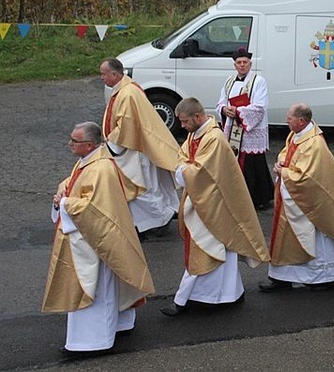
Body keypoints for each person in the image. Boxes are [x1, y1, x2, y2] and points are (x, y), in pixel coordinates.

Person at [43, 122, 154, 353]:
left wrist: (64, 203)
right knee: (103, 289)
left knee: (95, 290)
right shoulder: (88, 161)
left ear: (90, 145)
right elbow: (76, 183)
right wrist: (64, 190)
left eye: (74, 141)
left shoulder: (102, 168)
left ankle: (93, 342)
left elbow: (95, 208)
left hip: (96, 242)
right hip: (89, 237)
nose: (69, 144)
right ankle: (114, 327)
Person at [161, 98, 269, 317]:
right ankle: (227, 294)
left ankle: (186, 299)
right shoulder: (195, 134)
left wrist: (184, 170)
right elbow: (182, 158)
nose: (182, 126)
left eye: (184, 122)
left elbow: (202, 171)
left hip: (213, 205)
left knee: (207, 247)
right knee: (218, 249)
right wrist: (184, 167)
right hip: (201, 200)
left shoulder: (214, 138)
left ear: (198, 117)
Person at [260, 103, 334, 293]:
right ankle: (281, 277)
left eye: (289, 118)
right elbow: (287, 153)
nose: (286, 120)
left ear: (301, 121)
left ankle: (326, 277)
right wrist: (281, 164)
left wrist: (285, 172)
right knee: (285, 236)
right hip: (291, 197)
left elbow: (308, 178)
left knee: (316, 240)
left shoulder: (315, 143)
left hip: (312, 204)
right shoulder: (296, 135)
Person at [100, 57, 180, 238]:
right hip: (134, 146)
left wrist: (109, 143)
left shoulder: (128, 94)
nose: (101, 78)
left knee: (141, 187)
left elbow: (127, 125)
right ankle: (145, 222)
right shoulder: (125, 88)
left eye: (104, 74)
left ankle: (161, 219)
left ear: (114, 74)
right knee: (143, 187)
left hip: (134, 150)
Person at [216, 48, 275, 210]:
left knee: (253, 163)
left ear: (250, 64)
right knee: (234, 160)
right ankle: (236, 195)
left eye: (245, 63)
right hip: (233, 127)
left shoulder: (258, 81)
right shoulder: (229, 81)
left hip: (250, 129)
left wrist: (238, 111)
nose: (242, 66)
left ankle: (259, 198)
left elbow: (260, 106)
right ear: (234, 65)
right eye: (239, 63)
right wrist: (224, 110)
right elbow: (220, 102)